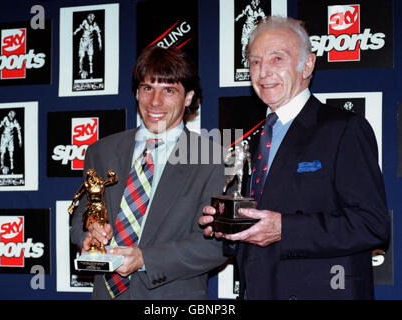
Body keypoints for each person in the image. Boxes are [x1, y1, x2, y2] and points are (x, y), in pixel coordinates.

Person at [199, 16, 390, 300]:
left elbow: (372, 224)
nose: (263, 72)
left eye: (277, 59)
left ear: (307, 65)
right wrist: (227, 228)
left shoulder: (344, 129)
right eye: (255, 62)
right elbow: (256, 229)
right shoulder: (253, 139)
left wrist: (285, 229)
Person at [70, 45, 227, 299]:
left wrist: (145, 259)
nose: (155, 102)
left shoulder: (212, 159)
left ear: (188, 98)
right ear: (137, 93)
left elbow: (217, 246)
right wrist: (88, 234)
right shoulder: (101, 151)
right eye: (147, 88)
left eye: (169, 90)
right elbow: (80, 217)